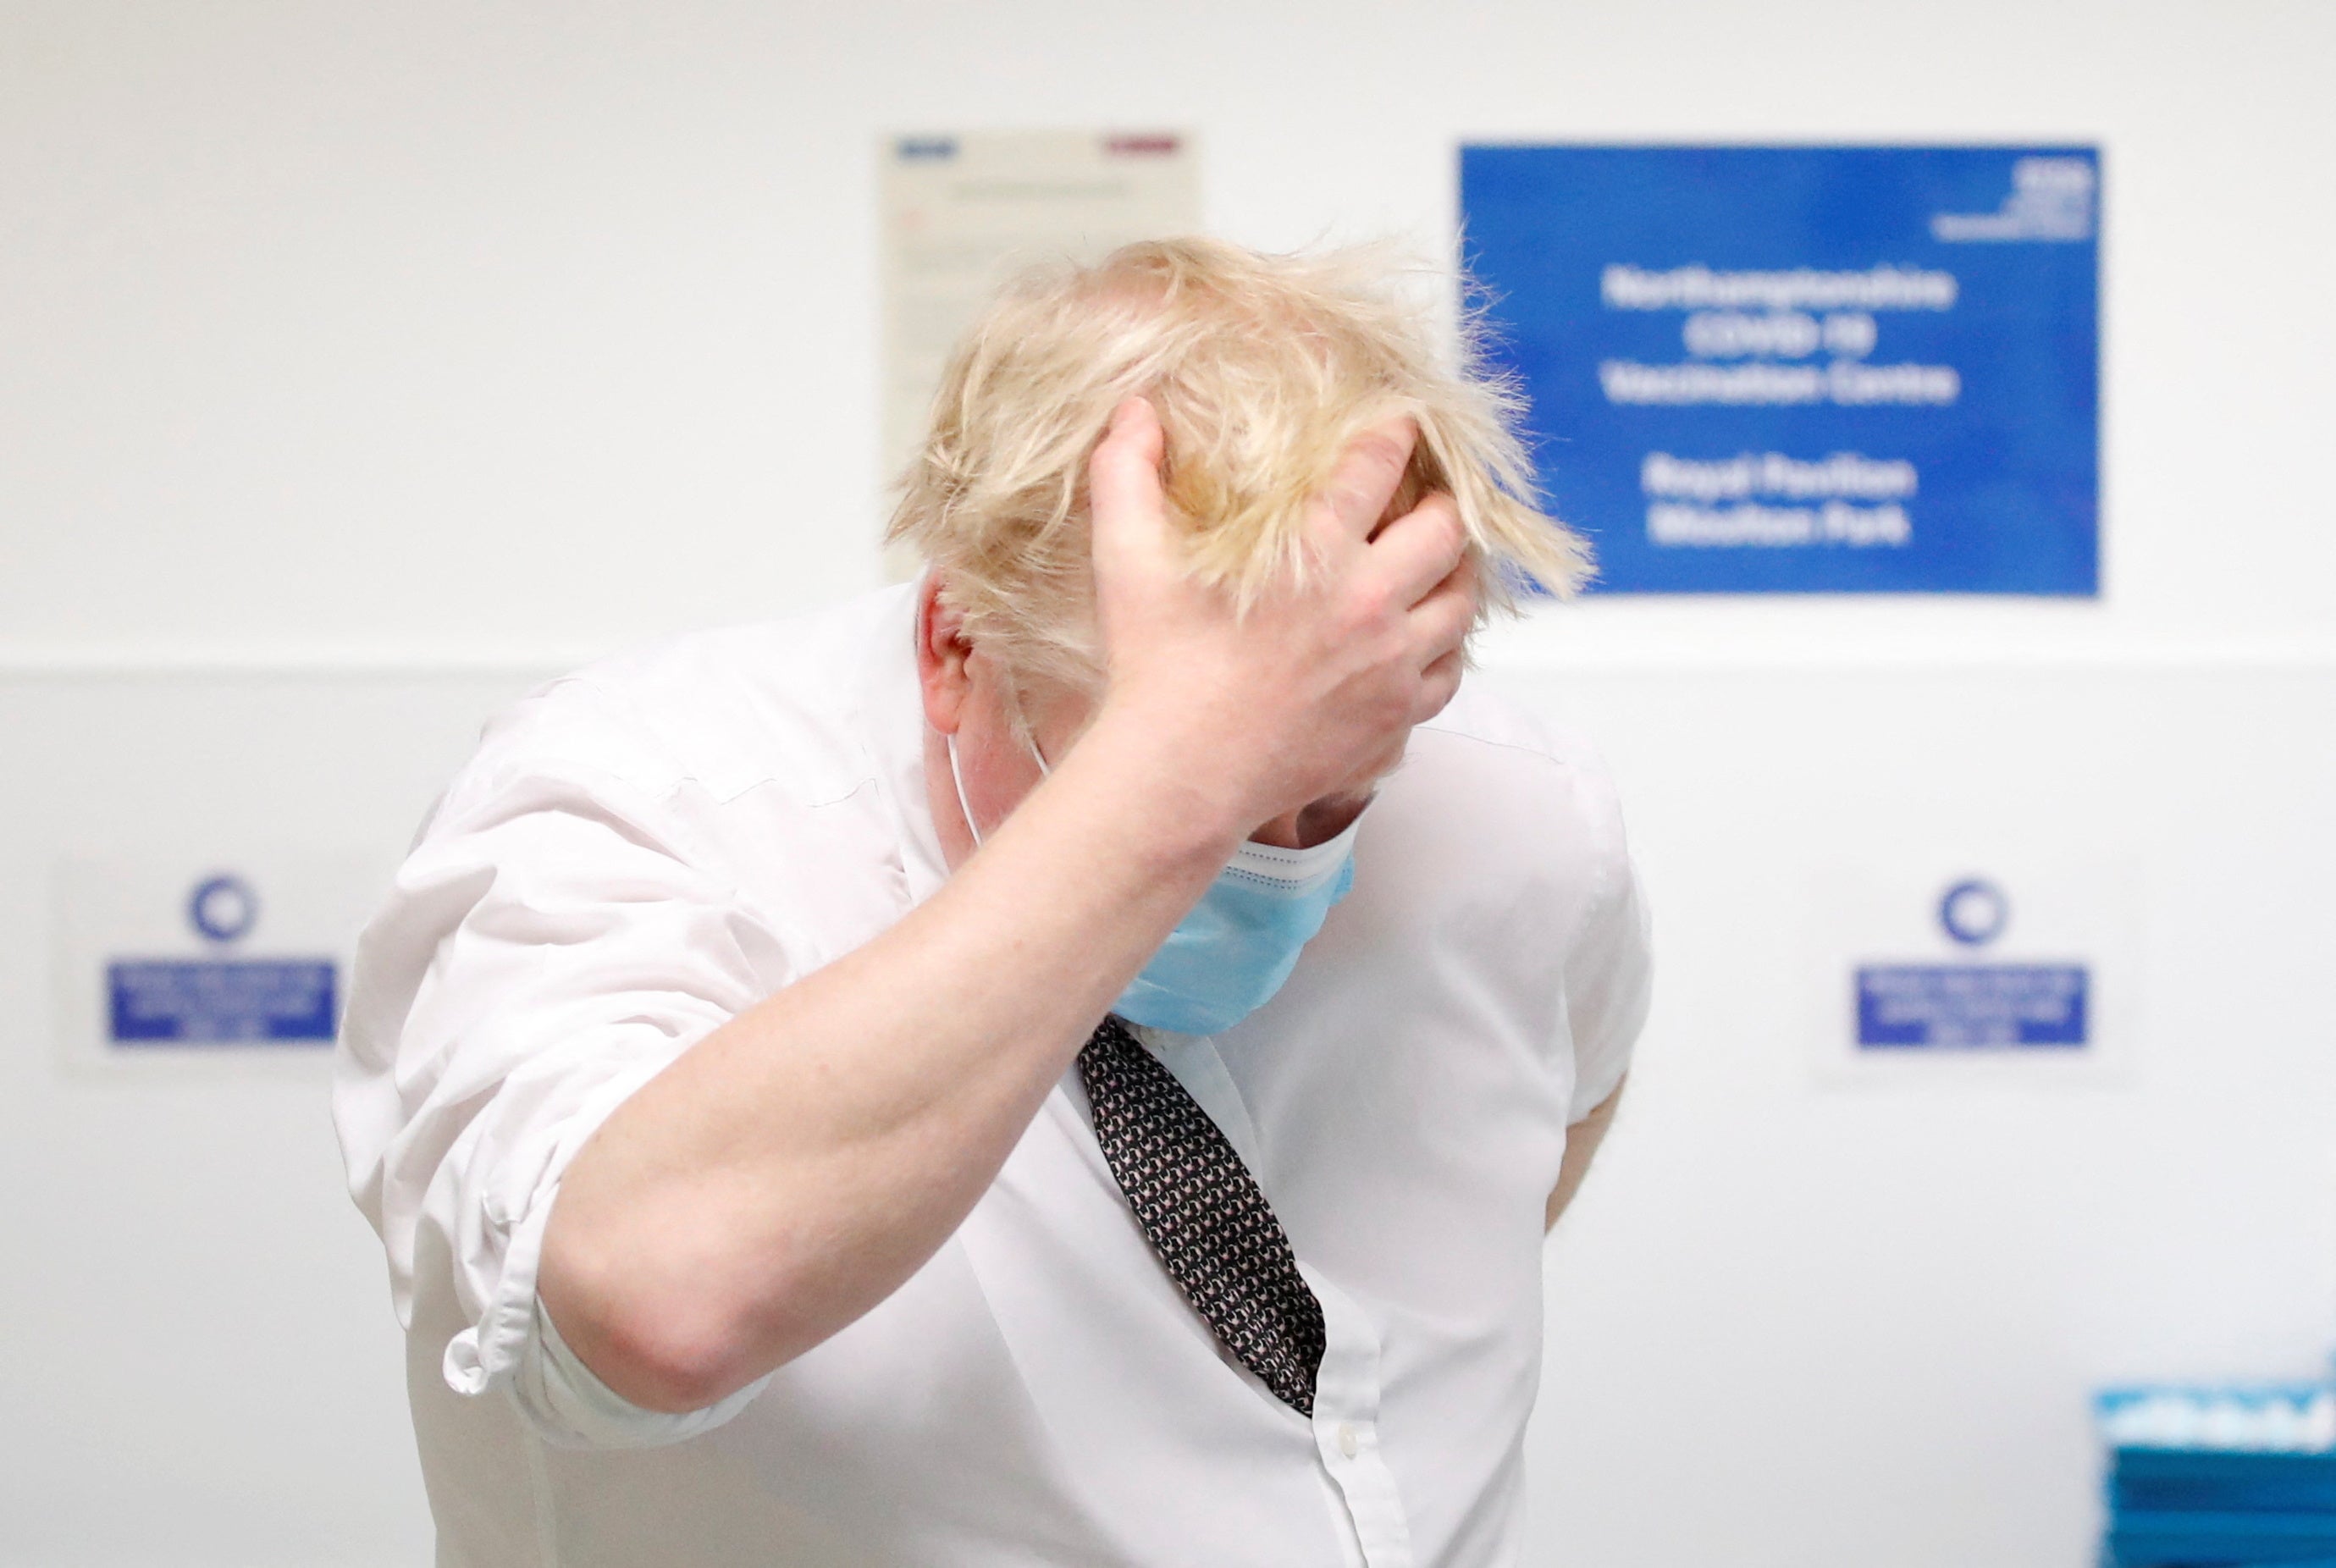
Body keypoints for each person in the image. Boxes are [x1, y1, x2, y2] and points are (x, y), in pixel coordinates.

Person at [334, 237, 1652, 1567]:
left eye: (1330, 797)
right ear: (959, 642)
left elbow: (1558, 1113)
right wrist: (1168, 785)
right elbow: (646, 1310)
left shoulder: (1514, 806)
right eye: (1211, 781)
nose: (1279, 861)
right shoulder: (633, 796)